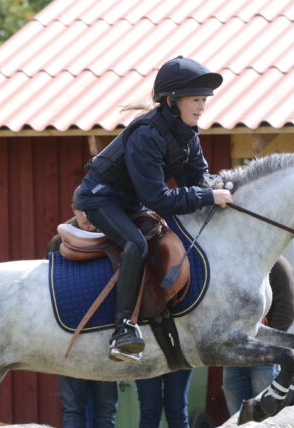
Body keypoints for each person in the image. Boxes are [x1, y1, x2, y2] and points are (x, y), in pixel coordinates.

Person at [74, 56, 234, 362]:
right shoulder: (147, 133)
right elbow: (160, 198)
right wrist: (209, 196)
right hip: (101, 198)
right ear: (171, 101)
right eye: (195, 100)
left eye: (204, 100)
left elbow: (197, 180)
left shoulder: (188, 134)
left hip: (131, 201)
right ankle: (123, 329)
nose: (202, 107)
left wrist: (223, 187)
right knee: (135, 243)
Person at [47, 206, 119, 428]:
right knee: (72, 409)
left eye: (92, 210)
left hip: (104, 334)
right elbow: (50, 289)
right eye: (81, 211)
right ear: (73, 211)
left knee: (106, 409)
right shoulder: (60, 241)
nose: (87, 217)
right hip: (71, 333)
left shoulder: (113, 235)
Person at [222, 256, 294, 415]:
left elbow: (286, 314)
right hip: (234, 355)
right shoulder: (238, 262)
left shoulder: (279, 266)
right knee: (236, 417)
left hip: (264, 357)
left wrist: (264, 347)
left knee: (266, 416)